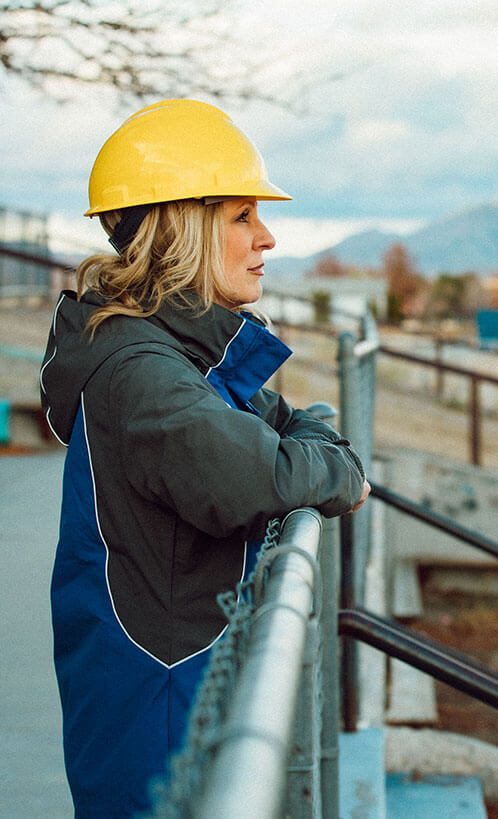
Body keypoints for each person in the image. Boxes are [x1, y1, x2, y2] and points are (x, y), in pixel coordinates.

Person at [39, 98, 371, 817]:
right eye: (242, 217)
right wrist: (338, 468)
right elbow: (269, 472)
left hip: (172, 686)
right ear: (183, 229)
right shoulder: (144, 372)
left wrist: (315, 446)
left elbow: (296, 426)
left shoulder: (181, 359)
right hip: (157, 705)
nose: (268, 237)